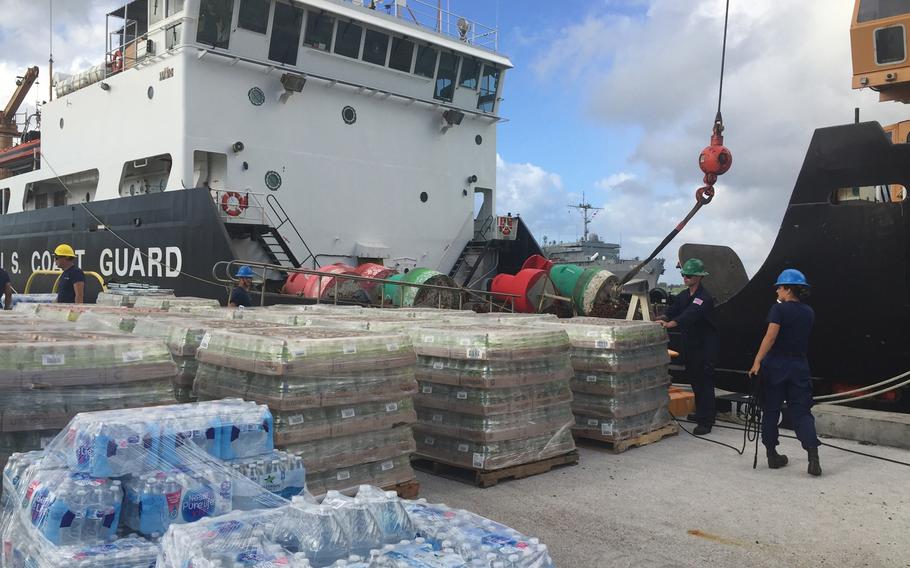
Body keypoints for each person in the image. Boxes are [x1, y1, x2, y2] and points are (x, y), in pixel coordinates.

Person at [748, 269, 822, 476]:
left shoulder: (778, 310)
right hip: (799, 366)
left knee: (771, 410)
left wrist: (757, 361)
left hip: (776, 366)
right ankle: (813, 457)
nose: (777, 291)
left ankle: (772, 455)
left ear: (788, 289)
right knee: (801, 411)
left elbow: (770, 337)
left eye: (779, 287)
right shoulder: (809, 312)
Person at [657, 258, 718, 435]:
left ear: (699, 277)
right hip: (691, 345)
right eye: (684, 274)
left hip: (706, 346)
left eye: (689, 275)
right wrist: (663, 318)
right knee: (695, 381)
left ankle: (706, 421)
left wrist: (672, 324)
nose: (685, 277)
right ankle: (701, 412)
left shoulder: (703, 298)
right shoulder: (685, 296)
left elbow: (691, 315)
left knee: (705, 382)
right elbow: (674, 309)